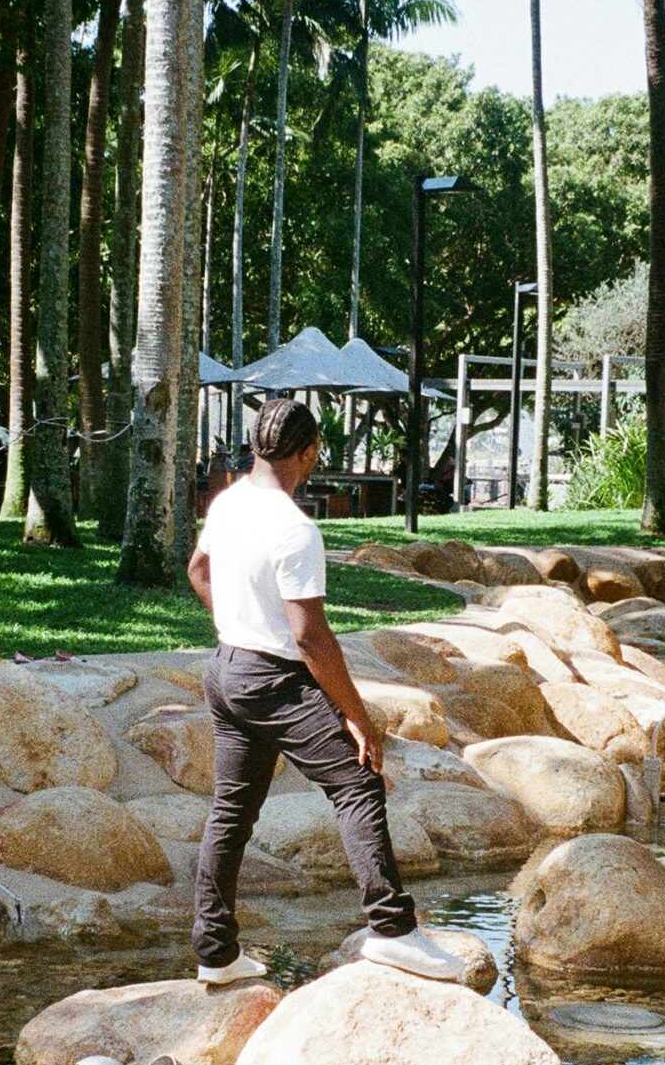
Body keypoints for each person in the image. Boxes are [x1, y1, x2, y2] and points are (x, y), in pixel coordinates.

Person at [185, 397, 470, 984]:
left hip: (227, 670)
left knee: (231, 814)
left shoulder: (229, 501)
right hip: (273, 681)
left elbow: (197, 570)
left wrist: (236, 625)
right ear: (309, 451)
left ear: (259, 446)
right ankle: (393, 929)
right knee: (358, 780)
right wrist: (358, 717)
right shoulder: (295, 529)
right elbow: (310, 637)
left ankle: (215, 954)